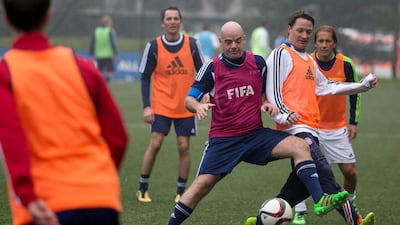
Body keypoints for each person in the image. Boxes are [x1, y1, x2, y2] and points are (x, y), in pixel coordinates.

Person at [166, 20, 350, 225]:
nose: (233, 46)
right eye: (228, 42)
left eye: (237, 41)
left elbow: (265, 92)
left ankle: (319, 199)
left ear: (244, 39)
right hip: (224, 140)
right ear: (221, 42)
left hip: (255, 135)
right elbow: (189, 99)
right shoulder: (212, 67)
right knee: (202, 186)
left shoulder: (258, 63)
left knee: (301, 145)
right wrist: (197, 106)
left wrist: (266, 104)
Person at [0, 0, 129, 225]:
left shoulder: (6, 72)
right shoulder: (82, 66)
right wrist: (98, 179)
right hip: (100, 200)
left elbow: (11, 139)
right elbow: (117, 137)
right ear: (48, 15)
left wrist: (28, 197)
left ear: (7, 19)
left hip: (45, 205)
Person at [264, 10, 377, 225]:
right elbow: (273, 90)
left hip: (310, 127)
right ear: (289, 30)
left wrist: (362, 86)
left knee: (296, 187)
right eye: (300, 30)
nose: (305, 35)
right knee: (324, 174)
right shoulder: (281, 53)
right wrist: (284, 114)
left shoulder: (308, 59)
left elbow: (327, 86)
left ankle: (261, 221)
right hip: (294, 127)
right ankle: (356, 221)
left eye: (308, 31)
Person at [292, 25, 365, 225]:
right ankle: (299, 211)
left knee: (350, 172)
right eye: (320, 41)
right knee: (304, 167)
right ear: (315, 43)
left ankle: (350, 204)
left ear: (334, 43)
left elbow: (354, 92)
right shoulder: (306, 62)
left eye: (328, 41)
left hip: (336, 127)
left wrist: (353, 122)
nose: (324, 45)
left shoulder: (345, 64)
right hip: (309, 125)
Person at [137, 6, 204, 203]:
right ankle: (142, 188)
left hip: (186, 106)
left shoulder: (192, 44)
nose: (173, 22)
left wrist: (205, 93)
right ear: (163, 23)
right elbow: (144, 77)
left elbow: (203, 71)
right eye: (169, 19)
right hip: (161, 106)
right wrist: (146, 106)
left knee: (183, 147)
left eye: (176, 18)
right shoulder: (154, 46)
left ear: (180, 22)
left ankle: (181, 192)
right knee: (155, 143)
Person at [89, 15, 119, 82]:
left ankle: (102, 84)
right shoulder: (110, 31)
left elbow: (92, 43)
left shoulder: (96, 31)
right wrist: (116, 53)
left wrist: (91, 54)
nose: (111, 23)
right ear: (107, 23)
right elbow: (113, 43)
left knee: (100, 72)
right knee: (110, 72)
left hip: (99, 55)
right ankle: (105, 83)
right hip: (108, 55)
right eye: (110, 22)